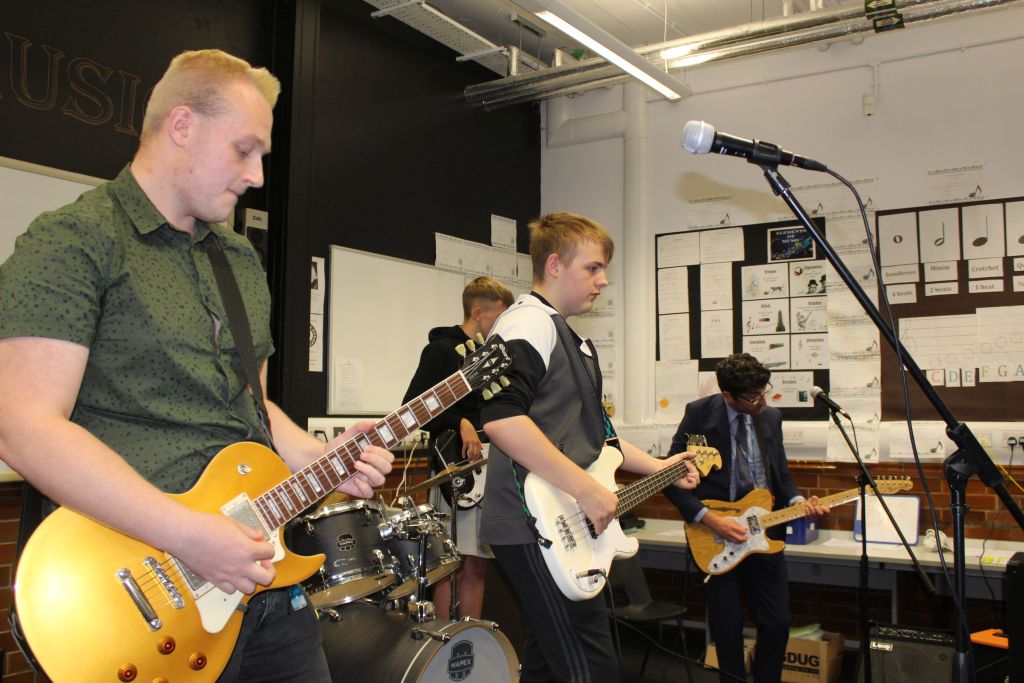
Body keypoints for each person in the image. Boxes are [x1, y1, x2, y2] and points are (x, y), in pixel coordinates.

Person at [0, 49, 393, 682]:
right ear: (181, 125)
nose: (257, 175)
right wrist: (189, 534)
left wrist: (322, 459)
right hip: (145, 594)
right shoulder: (74, 240)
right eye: (244, 150)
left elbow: (251, 409)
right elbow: (22, 426)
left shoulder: (237, 259)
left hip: (264, 583)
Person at [479, 211, 701, 682]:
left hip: (555, 521)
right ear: (555, 265)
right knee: (590, 665)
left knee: (546, 662)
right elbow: (501, 420)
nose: (603, 281)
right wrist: (585, 489)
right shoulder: (527, 324)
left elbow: (602, 441)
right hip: (532, 521)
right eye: (593, 268)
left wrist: (663, 466)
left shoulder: (568, 338)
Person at [663, 353, 828, 683]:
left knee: (777, 622)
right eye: (753, 396)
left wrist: (798, 501)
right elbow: (669, 477)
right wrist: (710, 519)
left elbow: (781, 476)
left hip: (765, 534)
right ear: (728, 395)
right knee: (727, 628)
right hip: (717, 536)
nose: (761, 401)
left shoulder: (770, 417)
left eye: (763, 391)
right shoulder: (700, 416)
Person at [401, 275, 514, 619]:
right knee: (452, 565)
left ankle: (471, 636)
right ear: (477, 312)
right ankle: (443, 640)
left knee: (478, 565)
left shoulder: (490, 355)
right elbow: (412, 410)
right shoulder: (440, 351)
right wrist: (458, 421)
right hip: (455, 473)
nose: (502, 325)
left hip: (488, 470)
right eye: (498, 316)